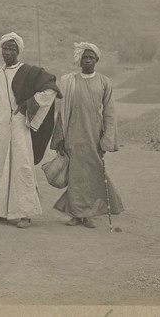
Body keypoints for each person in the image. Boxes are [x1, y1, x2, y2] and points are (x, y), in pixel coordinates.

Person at [0, 33, 61, 228]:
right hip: (0, 127)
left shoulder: (28, 71)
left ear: (18, 51)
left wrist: (28, 105)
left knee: (21, 168)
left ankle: (25, 213)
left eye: (11, 49)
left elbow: (50, 89)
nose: (7, 52)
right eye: (5, 49)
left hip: (18, 126)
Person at [50, 42, 124, 228]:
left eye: (91, 58)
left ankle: (89, 214)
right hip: (73, 134)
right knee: (75, 174)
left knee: (92, 173)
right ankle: (76, 214)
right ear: (79, 60)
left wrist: (106, 139)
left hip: (94, 135)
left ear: (97, 60)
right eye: (85, 58)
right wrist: (59, 138)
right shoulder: (69, 81)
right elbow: (62, 112)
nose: (88, 61)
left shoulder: (105, 82)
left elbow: (109, 113)